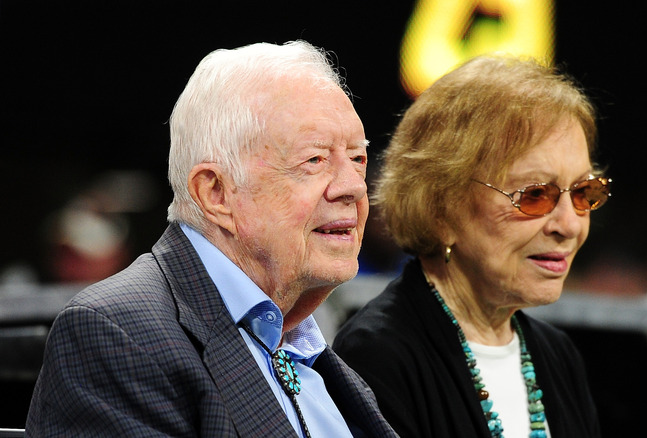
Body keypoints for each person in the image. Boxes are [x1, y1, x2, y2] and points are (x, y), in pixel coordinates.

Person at [25, 41, 397, 438]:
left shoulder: (308, 346)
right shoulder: (115, 334)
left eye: (358, 159)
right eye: (315, 160)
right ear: (216, 193)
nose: (353, 188)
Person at [333, 54, 607, 438]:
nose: (568, 225)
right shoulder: (378, 356)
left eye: (583, 192)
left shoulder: (557, 355)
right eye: (534, 195)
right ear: (442, 209)